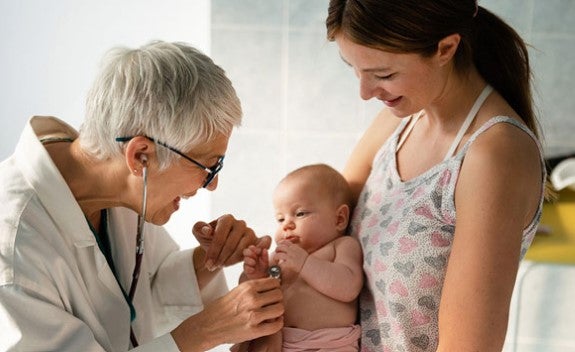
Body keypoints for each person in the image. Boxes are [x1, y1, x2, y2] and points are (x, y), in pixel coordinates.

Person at [0, 40, 284, 351]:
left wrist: (207, 262)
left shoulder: (121, 186)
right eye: (208, 166)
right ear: (140, 156)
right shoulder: (14, 251)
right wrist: (202, 332)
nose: (211, 184)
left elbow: (136, 300)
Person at [325, 1, 547, 351]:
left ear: (446, 48)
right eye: (354, 69)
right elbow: (324, 224)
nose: (365, 93)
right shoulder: (400, 119)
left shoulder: (493, 155)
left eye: (383, 74)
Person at [234, 164, 363, 351]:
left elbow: (348, 287)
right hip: (278, 343)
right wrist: (256, 275)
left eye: (300, 213)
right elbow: (251, 296)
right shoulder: (280, 259)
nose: (287, 225)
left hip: (326, 345)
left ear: (339, 219)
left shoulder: (342, 246)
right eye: (280, 219)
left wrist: (305, 263)